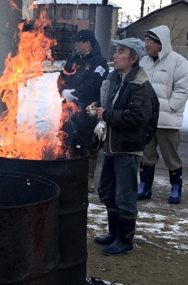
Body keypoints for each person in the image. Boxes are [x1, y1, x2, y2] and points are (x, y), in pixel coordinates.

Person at [89, 38, 157, 255]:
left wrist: (106, 114)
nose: (115, 55)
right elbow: (112, 107)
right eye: (116, 51)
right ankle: (114, 232)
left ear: (134, 58)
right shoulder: (115, 78)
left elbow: (138, 117)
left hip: (128, 147)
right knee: (107, 191)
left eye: (121, 51)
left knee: (125, 195)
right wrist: (98, 108)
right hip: (112, 144)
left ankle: (125, 240)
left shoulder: (139, 85)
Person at [138, 25, 188, 204]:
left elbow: (182, 90)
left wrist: (170, 106)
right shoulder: (143, 62)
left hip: (167, 120)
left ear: (161, 43)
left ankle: (176, 188)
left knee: (171, 156)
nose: (145, 45)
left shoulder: (179, 62)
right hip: (146, 120)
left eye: (149, 41)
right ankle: (144, 187)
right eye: (145, 41)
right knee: (146, 154)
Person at [57, 29, 109, 191]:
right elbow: (61, 78)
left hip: (89, 109)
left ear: (87, 43)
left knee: (88, 145)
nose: (75, 44)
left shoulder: (99, 62)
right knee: (67, 141)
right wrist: (63, 91)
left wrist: (75, 93)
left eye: (77, 41)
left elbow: (95, 82)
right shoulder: (72, 60)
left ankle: (87, 180)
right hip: (69, 109)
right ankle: (68, 176)